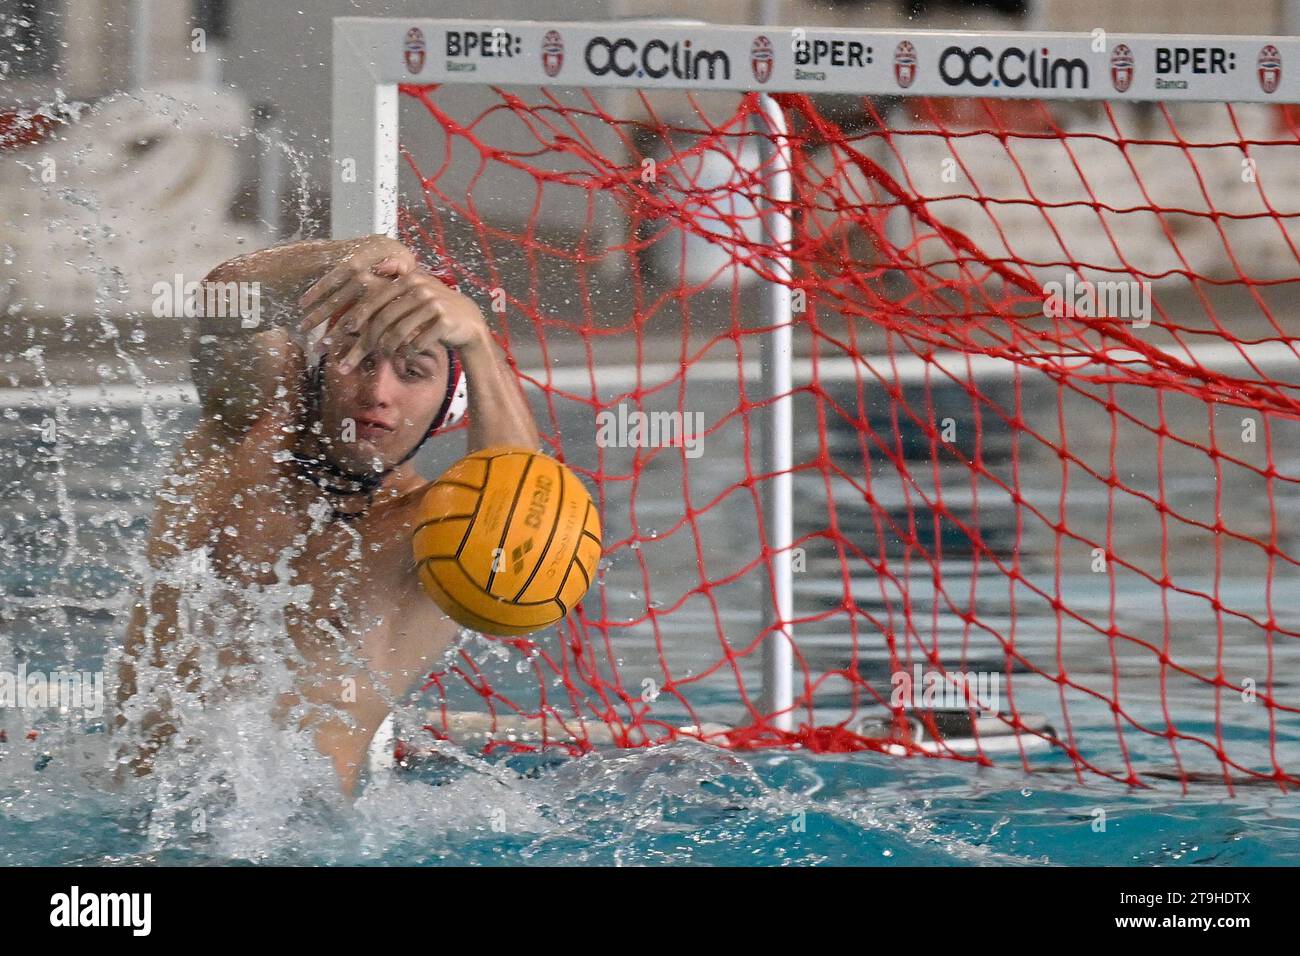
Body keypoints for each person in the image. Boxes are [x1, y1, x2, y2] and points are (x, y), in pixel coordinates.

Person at [114, 235, 540, 794]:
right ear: (317, 369)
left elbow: (521, 528)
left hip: (296, 842)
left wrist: (479, 342)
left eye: (413, 372)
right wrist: (345, 259)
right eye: (356, 358)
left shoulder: (436, 531)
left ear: (448, 403)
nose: (378, 391)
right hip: (123, 828)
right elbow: (225, 303)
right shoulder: (249, 431)